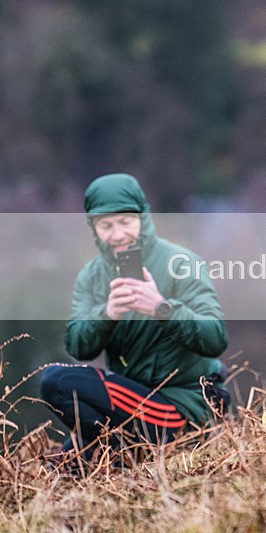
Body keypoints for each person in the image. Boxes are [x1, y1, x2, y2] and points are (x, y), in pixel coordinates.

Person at [40, 173, 229, 467]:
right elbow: (78, 346)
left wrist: (161, 308)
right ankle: (122, 455)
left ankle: (125, 455)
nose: (117, 235)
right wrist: (107, 315)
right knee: (62, 468)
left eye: (125, 222)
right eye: (106, 225)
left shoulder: (181, 263)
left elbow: (216, 338)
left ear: (143, 217)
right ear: (94, 229)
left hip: (181, 406)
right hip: (130, 405)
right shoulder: (91, 276)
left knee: (57, 380)